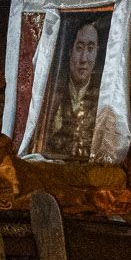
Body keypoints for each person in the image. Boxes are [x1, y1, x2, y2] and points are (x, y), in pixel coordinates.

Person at [42, 20, 103, 160]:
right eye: (79, 48)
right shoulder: (52, 91)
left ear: (96, 52)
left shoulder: (104, 95)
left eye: (90, 49)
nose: (84, 59)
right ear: (70, 51)